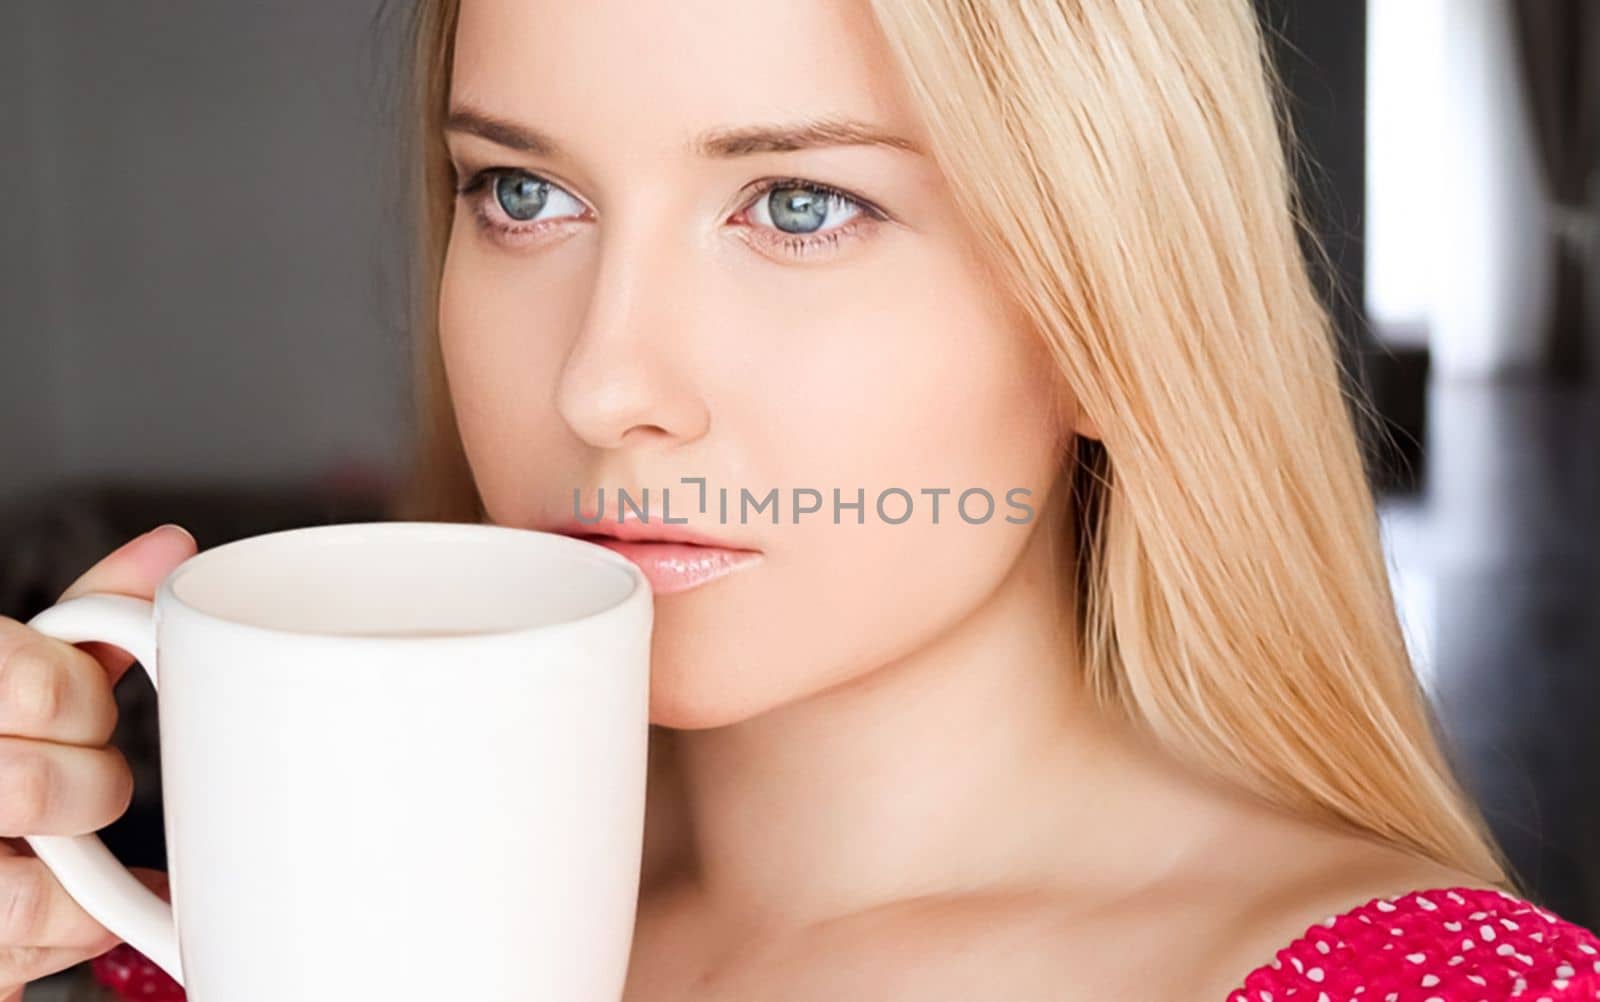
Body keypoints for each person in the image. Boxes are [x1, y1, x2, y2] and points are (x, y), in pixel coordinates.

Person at [3, 0, 1597, 999]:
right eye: (522, 192)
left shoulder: (1429, 990)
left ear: (1120, 310)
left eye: (802, 203)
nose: (600, 383)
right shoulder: (247, 940)